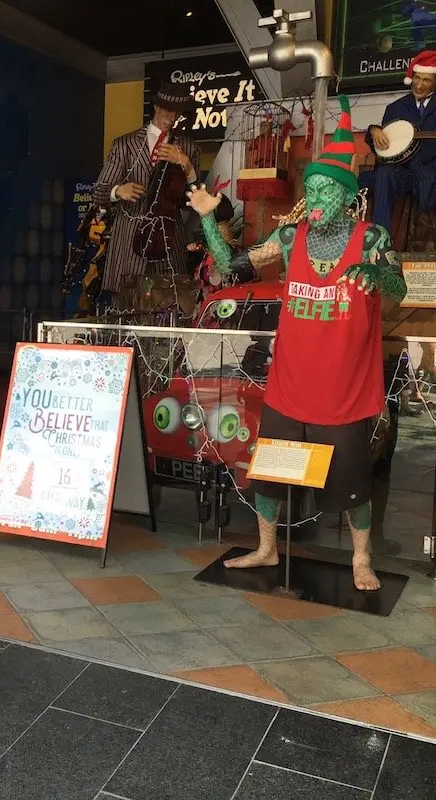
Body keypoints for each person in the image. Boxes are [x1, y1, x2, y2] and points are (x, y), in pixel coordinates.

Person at [188, 96, 408, 592]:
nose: (319, 195)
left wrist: (375, 273)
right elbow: (231, 266)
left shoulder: (371, 238)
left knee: (352, 486)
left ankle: (360, 559)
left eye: (329, 187)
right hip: (290, 386)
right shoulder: (290, 240)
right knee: (271, 475)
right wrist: (207, 218)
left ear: (347, 193)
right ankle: (266, 548)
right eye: (313, 187)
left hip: (344, 392)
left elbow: (399, 289)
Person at [92, 87, 200, 305]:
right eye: (168, 111)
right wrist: (118, 191)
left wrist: (187, 166)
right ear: (157, 106)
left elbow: (195, 202)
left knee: (170, 305)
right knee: (125, 309)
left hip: (169, 238)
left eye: (177, 113)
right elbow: (98, 192)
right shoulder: (125, 144)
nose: (171, 118)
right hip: (128, 241)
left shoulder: (188, 147)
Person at [363, 50, 436, 234]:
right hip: (405, 174)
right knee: (383, 174)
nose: (419, 85)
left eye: (426, 80)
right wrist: (374, 131)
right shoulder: (395, 108)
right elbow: (384, 146)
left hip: (431, 173)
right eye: (417, 78)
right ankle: (380, 241)